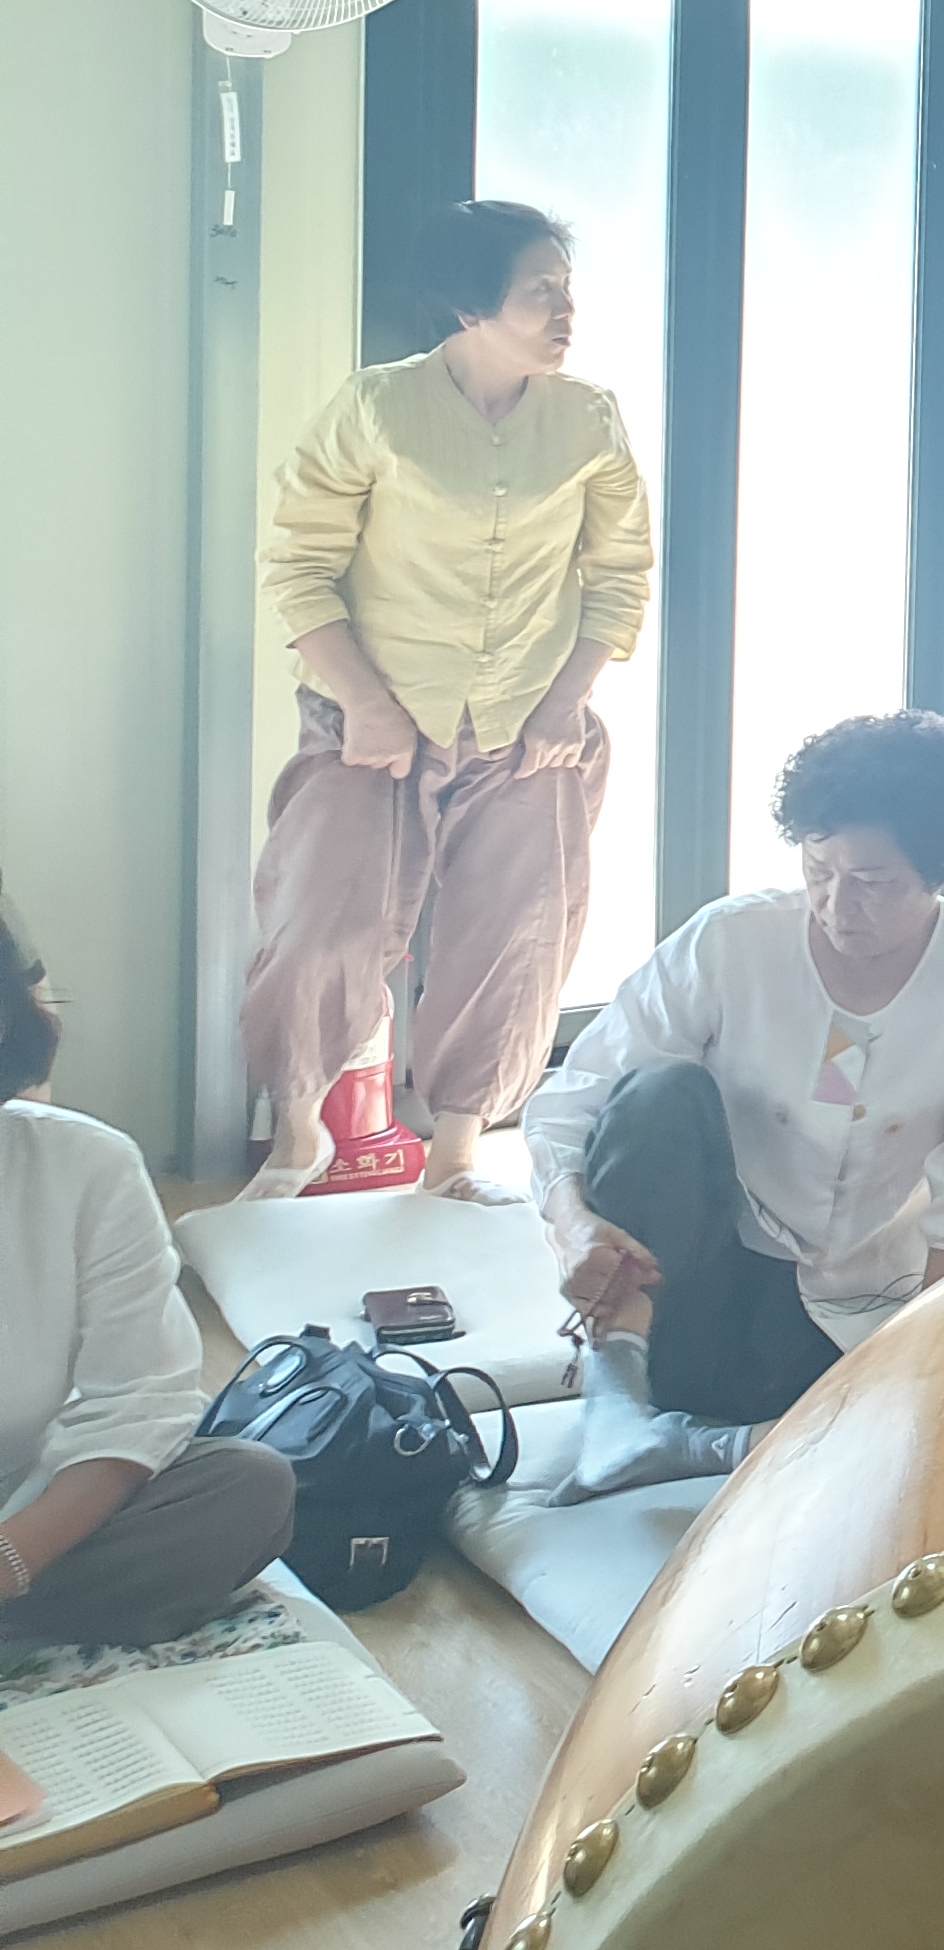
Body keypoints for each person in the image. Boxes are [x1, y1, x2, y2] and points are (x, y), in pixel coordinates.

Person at [525, 713, 944, 1500]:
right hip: (691, 1298)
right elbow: (569, 1105)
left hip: (855, 1318)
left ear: (939, 873)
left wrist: (920, 1375)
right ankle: (623, 1405)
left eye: (873, 883)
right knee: (659, 1095)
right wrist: (573, 1228)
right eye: (819, 870)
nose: (838, 905)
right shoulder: (730, 941)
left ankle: (716, 1444)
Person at [240, 201, 652, 1202]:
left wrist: (567, 700)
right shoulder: (377, 407)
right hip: (369, 722)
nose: (566, 311)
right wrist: (364, 701)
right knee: (316, 923)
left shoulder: (589, 418)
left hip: (531, 729)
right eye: (540, 292)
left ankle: (458, 1154)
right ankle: (298, 1137)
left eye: (567, 288)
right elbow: (300, 567)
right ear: (472, 307)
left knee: (513, 935)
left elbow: (619, 575)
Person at [2, 938, 296, 1644]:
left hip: (17, 1516)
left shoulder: (85, 1166)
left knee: (244, 1488)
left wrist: (12, 1559)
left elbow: (138, 1402)